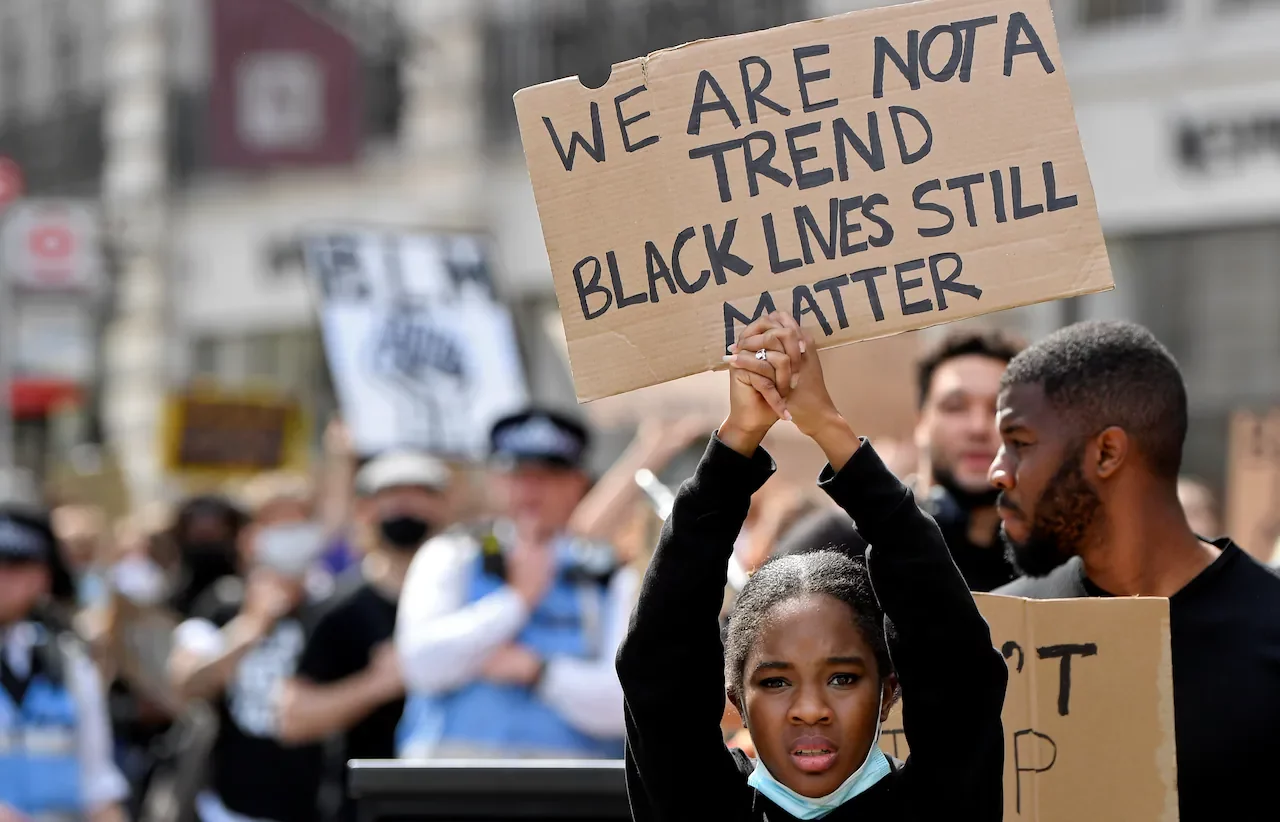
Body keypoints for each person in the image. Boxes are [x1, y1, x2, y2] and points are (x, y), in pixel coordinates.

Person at [617, 312, 1007, 821]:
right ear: (733, 696)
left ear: (890, 690)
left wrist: (829, 428)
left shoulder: (939, 808)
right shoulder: (701, 809)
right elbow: (657, 667)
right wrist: (738, 438)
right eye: (775, 682)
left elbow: (957, 666)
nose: (810, 709)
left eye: (843, 678)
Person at [990, 320, 1280, 822]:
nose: (998, 469)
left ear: (1106, 452)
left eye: (1020, 442)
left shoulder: (1270, 630)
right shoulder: (1000, 630)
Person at [395, 408, 637, 759]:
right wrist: (517, 601)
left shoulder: (613, 576)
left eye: (548, 475)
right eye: (518, 474)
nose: (531, 489)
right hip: (448, 789)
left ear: (577, 484)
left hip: (571, 791)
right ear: (496, 481)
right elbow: (420, 664)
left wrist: (537, 671)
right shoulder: (451, 556)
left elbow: (625, 705)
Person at [277, 450, 453, 821]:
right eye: (392, 495)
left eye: (420, 493)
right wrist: (377, 684)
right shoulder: (336, 609)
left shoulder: (472, 598)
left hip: (455, 798)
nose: (406, 507)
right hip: (369, 807)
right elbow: (293, 718)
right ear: (365, 509)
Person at [168, 474, 329, 822]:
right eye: (275, 522)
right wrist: (251, 627)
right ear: (249, 537)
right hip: (234, 806)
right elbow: (186, 684)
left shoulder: (332, 605)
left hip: (318, 803)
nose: (289, 535)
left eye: (298, 522)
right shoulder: (222, 604)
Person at [0, 500, 129, 822]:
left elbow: (96, 779)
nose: (3, 580)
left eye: (17, 567)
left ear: (43, 578)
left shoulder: (67, 659)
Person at [911, 328, 1025, 591]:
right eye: (955, 407)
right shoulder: (847, 543)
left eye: (1000, 409)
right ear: (921, 422)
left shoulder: (1058, 565)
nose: (978, 427)